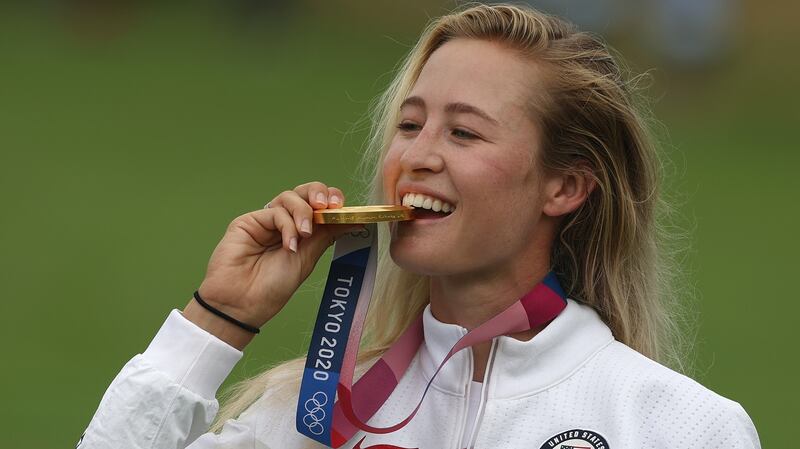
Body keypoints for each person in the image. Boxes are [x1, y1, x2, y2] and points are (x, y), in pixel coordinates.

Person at [77, 4, 761, 449]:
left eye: (463, 131)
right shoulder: (311, 417)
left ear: (566, 185)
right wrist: (218, 317)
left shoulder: (677, 425)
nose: (416, 156)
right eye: (409, 124)